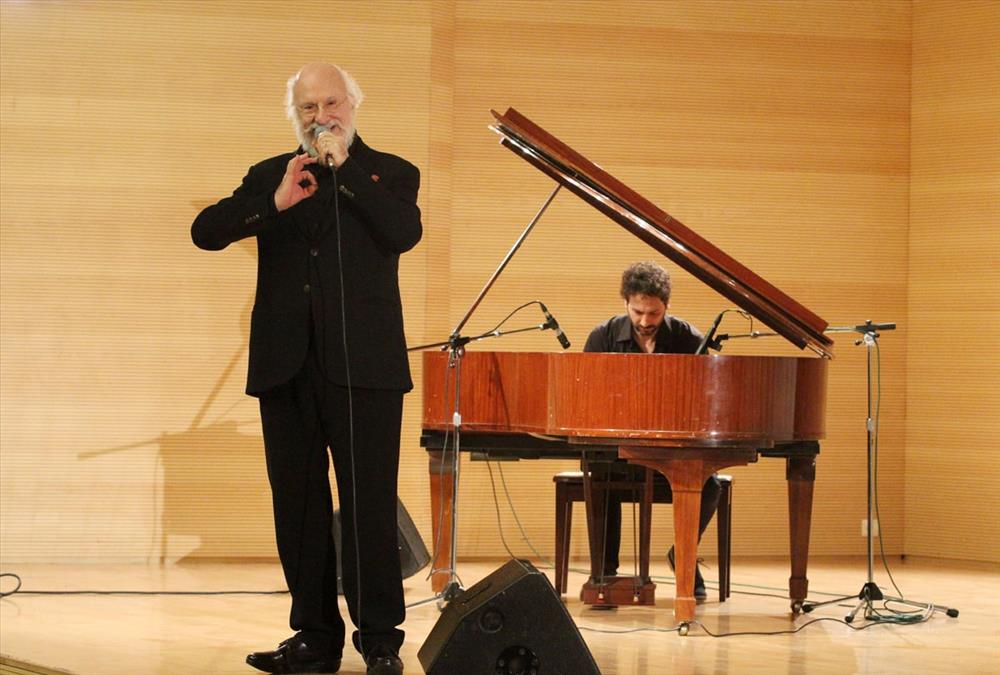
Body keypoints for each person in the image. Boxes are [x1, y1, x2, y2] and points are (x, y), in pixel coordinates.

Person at [192, 62, 420, 675]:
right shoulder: (272, 174)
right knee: (299, 509)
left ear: (354, 104)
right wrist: (275, 202)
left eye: (331, 103)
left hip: (366, 370)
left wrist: (347, 173)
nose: (322, 117)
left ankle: (380, 640)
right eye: (309, 108)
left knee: (369, 506)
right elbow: (205, 231)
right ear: (295, 115)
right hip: (286, 368)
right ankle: (316, 639)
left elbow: (403, 232)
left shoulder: (392, 172)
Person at [583, 261, 721, 601]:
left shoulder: (689, 339)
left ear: (667, 306)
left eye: (654, 313)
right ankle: (604, 575)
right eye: (638, 312)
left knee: (710, 485)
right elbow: (586, 394)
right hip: (616, 447)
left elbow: (708, 396)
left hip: (672, 448)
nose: (645, 322)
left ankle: (683, 554)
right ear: (626, 303)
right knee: (599, 473)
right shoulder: (603, 337)